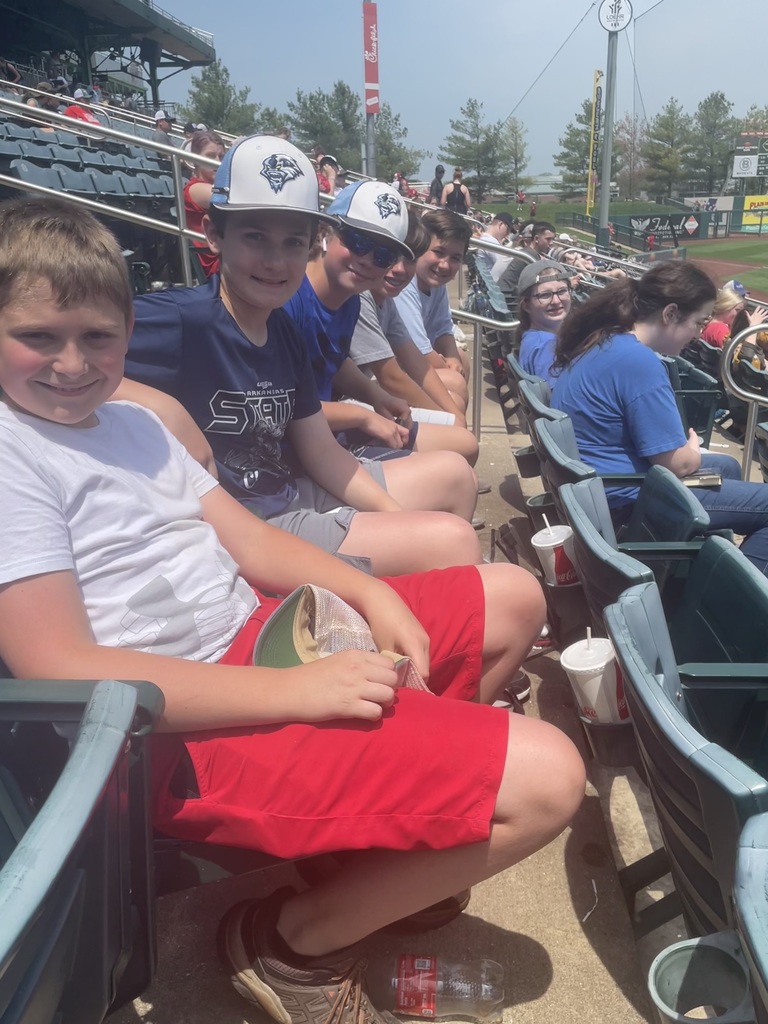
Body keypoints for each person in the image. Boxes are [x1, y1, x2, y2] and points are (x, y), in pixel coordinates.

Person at [0, 195, 585, 1024]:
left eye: (97, 337)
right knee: (551, 778)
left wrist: (371, 590)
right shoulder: (11, 457)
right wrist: (301, 694)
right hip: (170, 731)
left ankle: (372, 848)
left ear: (127, 337)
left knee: (514, 596)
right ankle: (292, 943)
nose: (71, 363)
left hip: (259, 637)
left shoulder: (131, 422)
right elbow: (62, 667)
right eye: (38, 337)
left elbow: (252, 543)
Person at [124, 136, 481, 575]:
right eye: (255, 237)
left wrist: (395, 516)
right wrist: (165, 406)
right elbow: (42, 348)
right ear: (214, 235)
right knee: (454, 542)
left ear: (311, 243)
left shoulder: (283, 329)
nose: (275, 261)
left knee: (453, 482)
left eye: (293, 243)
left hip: (291, 491)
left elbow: (320, 451)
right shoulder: (186, 318)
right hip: (246, 525)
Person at [283, 180, 482, 529]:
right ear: (325, 233)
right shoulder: (288, 302)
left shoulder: (346, 297)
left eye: (384, 255)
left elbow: (334, 361)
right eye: (358, 242)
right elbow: (284, 411)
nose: (369, 262)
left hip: (328, 441)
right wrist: (362, 415)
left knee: (457, 469)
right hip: (295, 464)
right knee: (455, 479)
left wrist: (375, 397)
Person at [551, 261, 768, 574]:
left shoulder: (607, 339)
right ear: (670, 314)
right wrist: (692, 451)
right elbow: (676, 463)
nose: (697, 334)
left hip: (603, 491)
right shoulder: (639, 361)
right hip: (626, 502)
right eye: (697, 322)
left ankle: (699, 566)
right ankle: (728, 597)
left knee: (728, 465)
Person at [349, 211, 478, 464]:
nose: (397, 269)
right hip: (353, 404)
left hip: (367, 397)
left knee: (458, 428)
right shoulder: (362, 297)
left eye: (408, 259)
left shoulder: (387, 300)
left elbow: (417, 361)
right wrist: (451, 422)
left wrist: (454, 418)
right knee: (464, 445)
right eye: (387, 257)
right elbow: (392, 376)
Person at [393, 209, 473, 393]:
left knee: (461, 360)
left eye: (455, 258)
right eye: (438, 252)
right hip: (389, 369)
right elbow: (418, 352)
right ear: (420, 249)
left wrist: (452, 359)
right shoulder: (404, 284)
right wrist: (451, 369)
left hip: (412, 364)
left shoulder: (437, 284)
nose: (444, 265)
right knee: (454, 381)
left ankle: (453, 420)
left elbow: (443, 329)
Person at [516, 260, 572, 386]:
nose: (556, 301)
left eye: (562, 291)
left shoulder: (533, 337)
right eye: (545, 295)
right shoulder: (547, 346)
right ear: (527, 306)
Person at [183, 130, 225, 277]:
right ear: (196, 159)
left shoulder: (216, 185)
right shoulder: (195, 188)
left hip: (229, 253)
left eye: (221, 157)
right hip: (217, 261)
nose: (217, 162)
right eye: (210, 156)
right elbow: (236, 199)